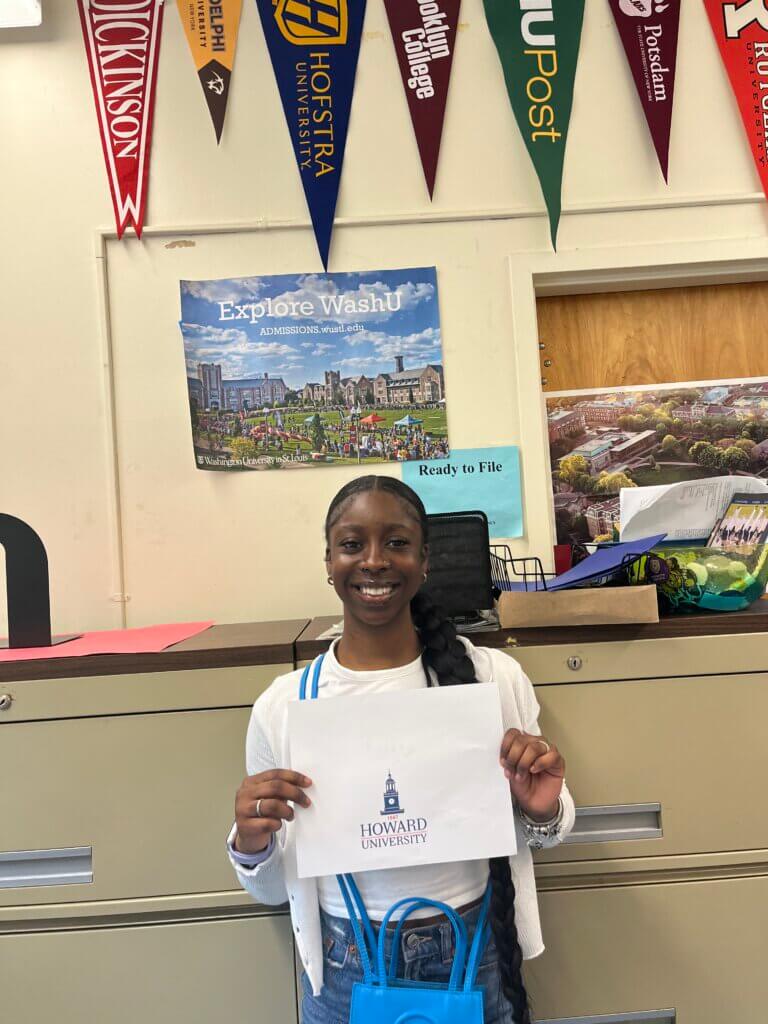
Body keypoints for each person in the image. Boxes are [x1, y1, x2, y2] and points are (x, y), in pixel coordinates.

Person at [228, 476, 575, 1024]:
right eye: (351, 544)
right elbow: (272, 891)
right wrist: (251, 843)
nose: (374, 561)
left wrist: (543, 807)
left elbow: (550, 834)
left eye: (396, 542)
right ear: (328, 560)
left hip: (477, 947)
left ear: (425, 559)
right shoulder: (285, 704)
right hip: (346, 964)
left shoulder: (492, 678)